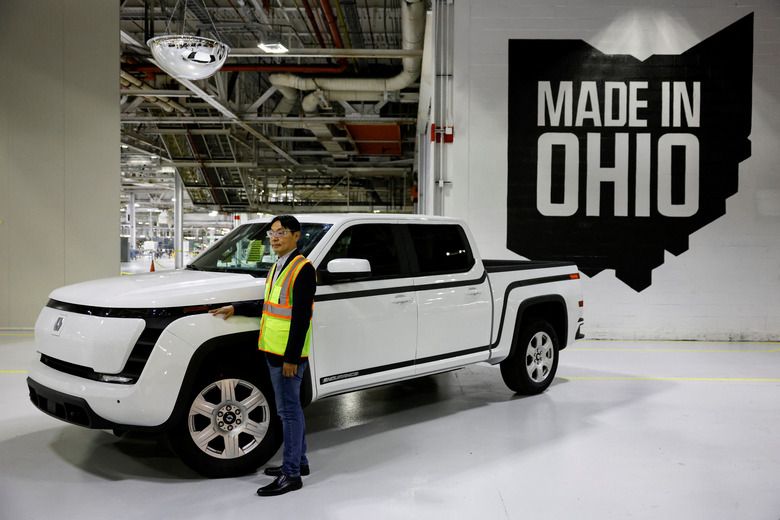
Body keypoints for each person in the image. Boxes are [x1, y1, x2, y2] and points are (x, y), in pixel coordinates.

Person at [209, 215, 316, 496]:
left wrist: (292, 358)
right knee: (291, 410)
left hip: (286, 356)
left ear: (296, 236)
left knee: (288, 413)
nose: (274, 238)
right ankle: (299, 462)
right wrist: (237, 307)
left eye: (281, 232)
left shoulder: (302, 270)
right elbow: (269, 305)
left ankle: (291, 474)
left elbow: (302, 318)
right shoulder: (279, 266)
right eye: (272, 233)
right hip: (272, 350)